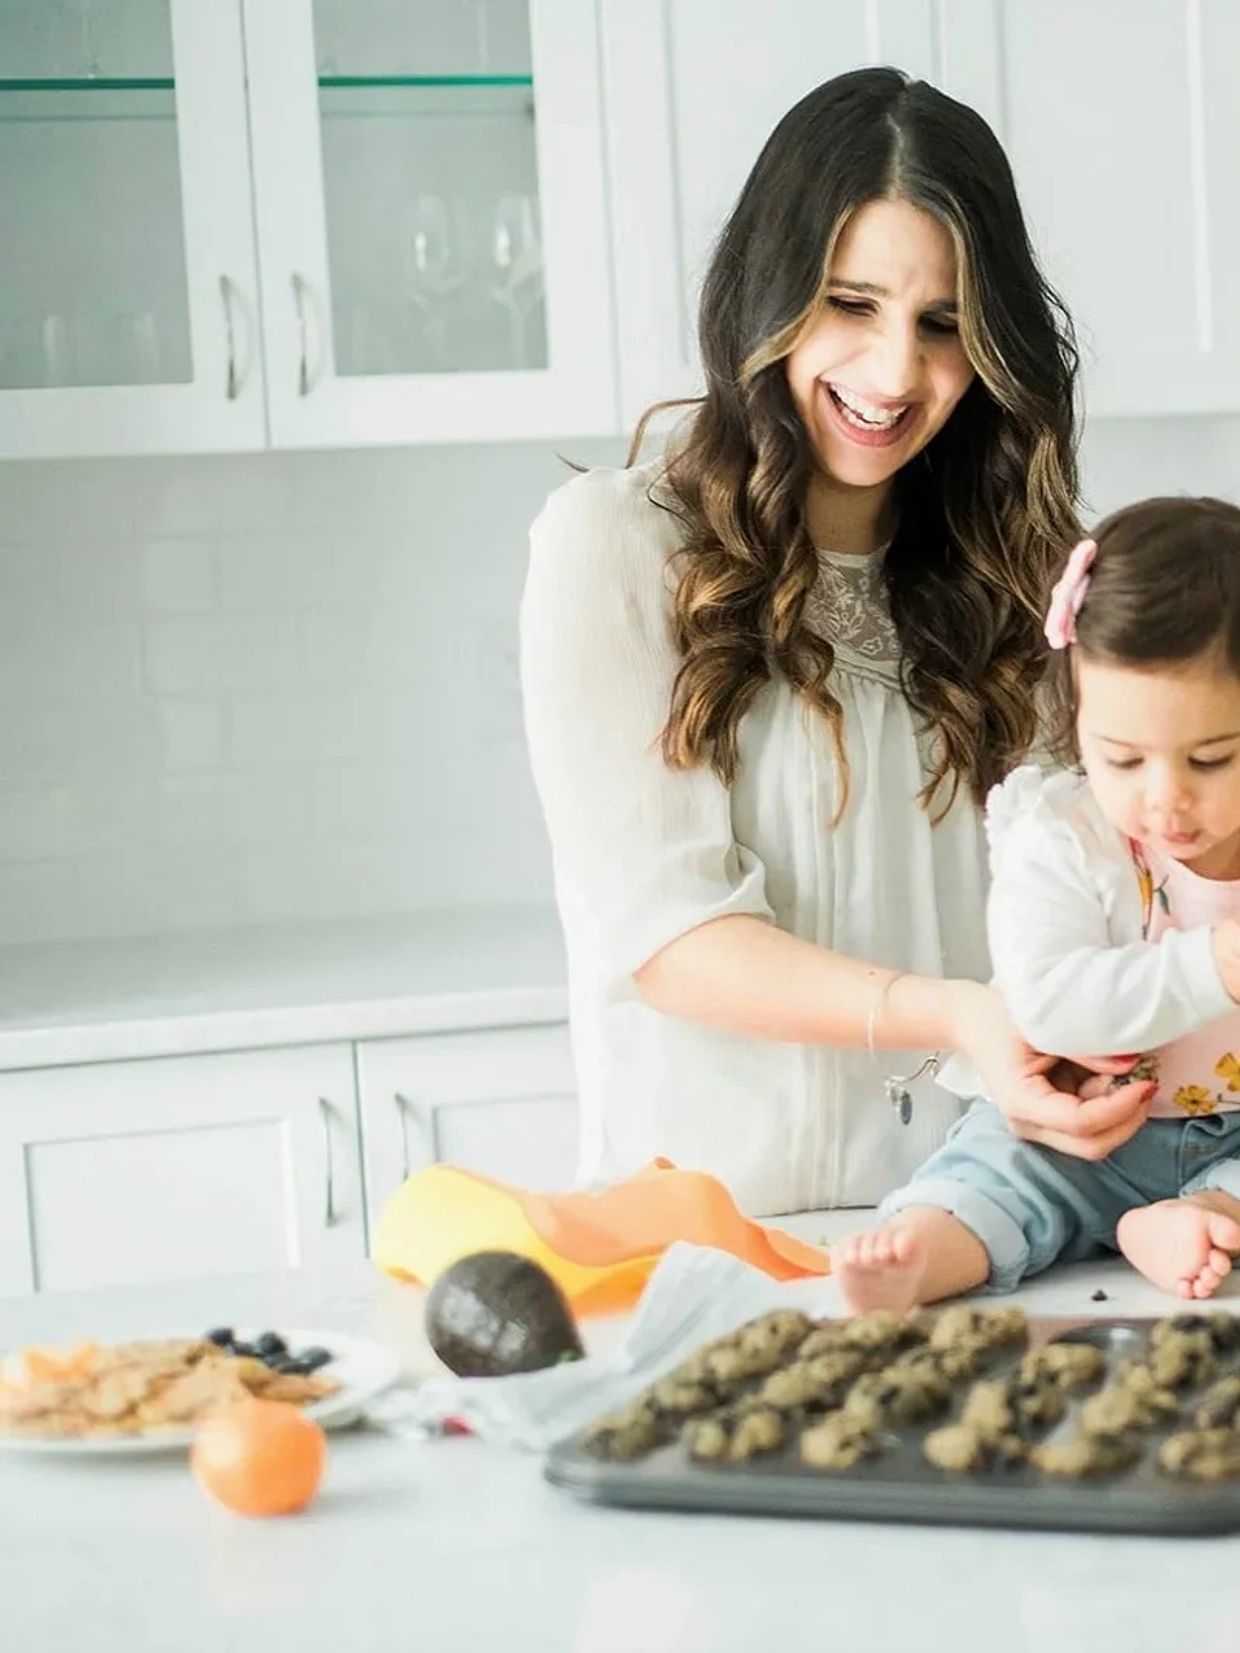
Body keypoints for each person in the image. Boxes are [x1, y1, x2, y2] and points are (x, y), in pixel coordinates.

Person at [520, 66, 1149, 1216]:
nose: (895, 372)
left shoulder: (1034, 577)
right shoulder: (614, 548)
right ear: (768, 292)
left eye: (944, 324)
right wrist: (952, 1012)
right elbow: (669, 936)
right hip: (708, 1235)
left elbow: (1102, 899)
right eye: (850, 305)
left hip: (980, 1223)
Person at [836, 497, 1240, 1308]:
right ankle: (921, 1250)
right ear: (1078, 722)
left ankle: (1191, 1218)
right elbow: (1051, 1003)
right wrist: (1216, 962)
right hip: (1078, 1132)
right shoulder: (1061, 835)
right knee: (994, 1172)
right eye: (1122, 759)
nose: (1167, 801)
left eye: (1212, 756)